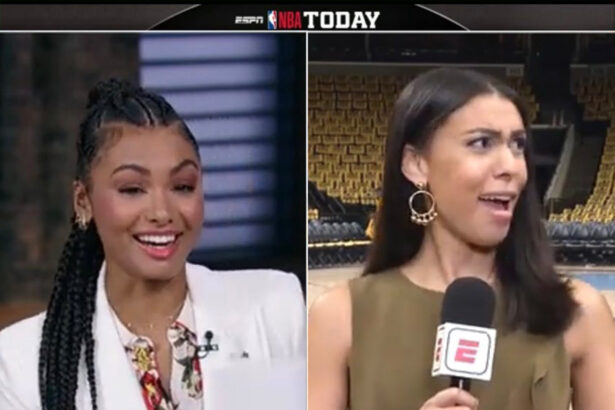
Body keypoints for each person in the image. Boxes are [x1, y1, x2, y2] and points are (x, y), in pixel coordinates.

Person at [308, 68, 615, 410]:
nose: (512, 166)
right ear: (416, 164)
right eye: (481, 143)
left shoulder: (579, 312)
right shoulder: (340, 316)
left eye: (518, 145)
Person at [0, 79, 306, 410]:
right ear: (83, 201)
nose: (162, 212)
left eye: (182, 186)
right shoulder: (18, 364)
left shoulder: (276, 307)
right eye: (132, 189)